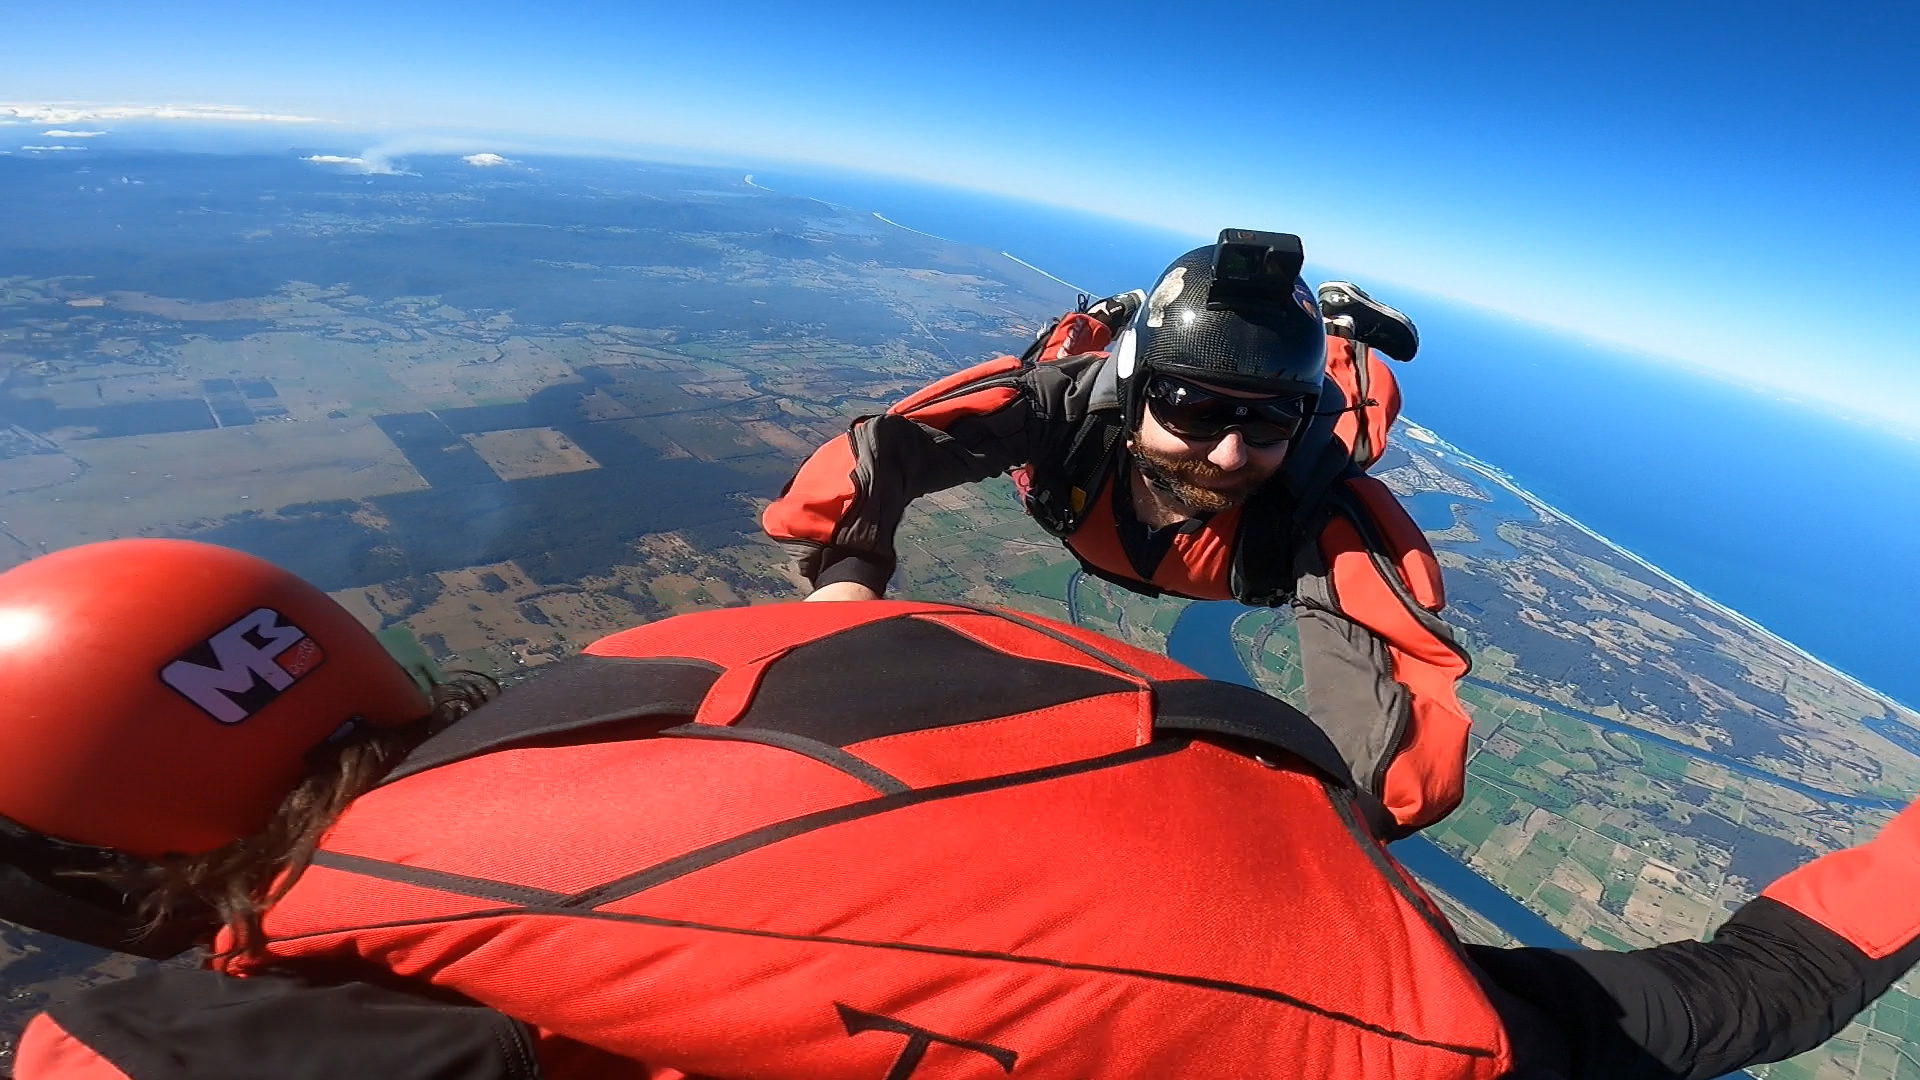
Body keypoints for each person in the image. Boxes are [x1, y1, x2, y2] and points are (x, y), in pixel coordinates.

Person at [2, 539, 1919, 1080]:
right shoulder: (650, 674)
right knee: (1750, 993)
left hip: (1379, 1019)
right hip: (1287, 868)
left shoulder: (174, 1030)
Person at [765, 229, 1467, 833]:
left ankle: (1341, 329)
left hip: (1284, 441)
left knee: (1354, 420)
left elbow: (1404, 679)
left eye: (1270, 418)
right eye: (1192, 406)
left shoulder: (1315, 497)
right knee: (1058, 356)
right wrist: (848, 577)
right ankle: (1106, 319)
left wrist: (1342, 819)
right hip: (1097, 410)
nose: (1229, 453)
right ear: (1136, 394)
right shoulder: (1065, 412)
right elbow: (889, 447)